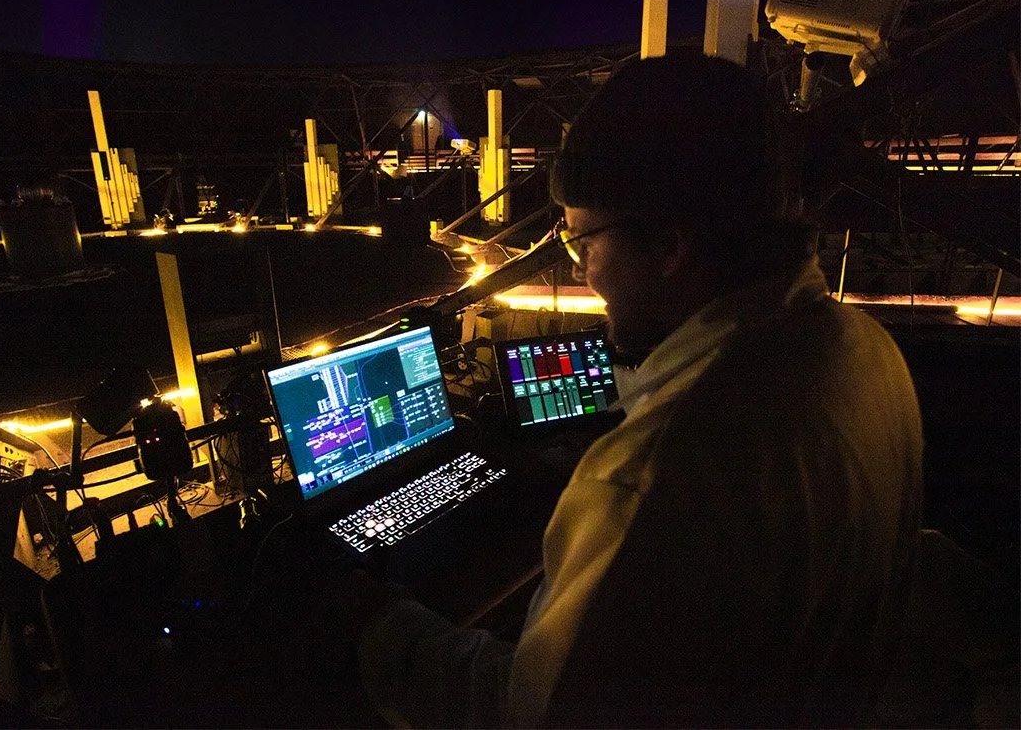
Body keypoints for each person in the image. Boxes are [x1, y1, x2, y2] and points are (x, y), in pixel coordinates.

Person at [341, 51, 924, 728]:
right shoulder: (867, 352)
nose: (584, 272)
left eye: (585, 241)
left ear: (671, 244)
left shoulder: (655, 471)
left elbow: (532, 715)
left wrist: (378, 625)